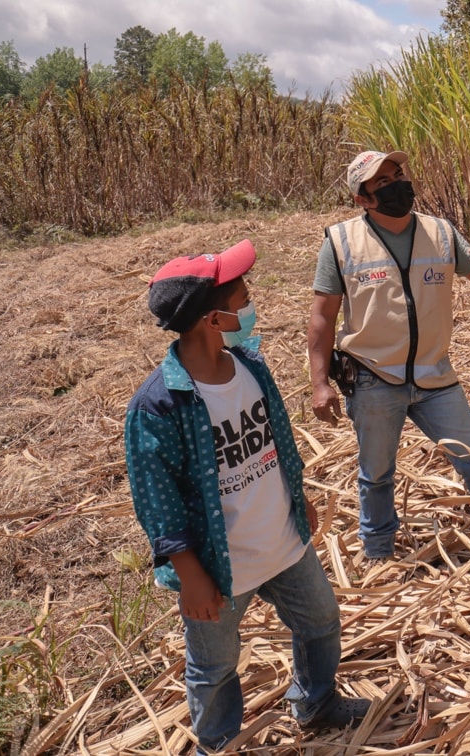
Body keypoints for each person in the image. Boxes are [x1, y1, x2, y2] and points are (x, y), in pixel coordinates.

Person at [125, 240, 369, 753]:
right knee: (213, 668)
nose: (250, 302)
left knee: (321, 622)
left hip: (282, 544)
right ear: (212, 319)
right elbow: (156, 498)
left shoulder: (251, 368)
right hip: (218, 566)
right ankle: (219, 743)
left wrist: (296, 497)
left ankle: (316, 703)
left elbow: (277, 442)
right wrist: (190, 574)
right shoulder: (160, 404)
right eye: (241, 296)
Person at [307, 149, 470, 560]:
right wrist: (319, 383)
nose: (397, 185)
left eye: (398, 175)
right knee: (376, 474)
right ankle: (379, 554)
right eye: (383, 183)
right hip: (373, 377)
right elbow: (322, 317)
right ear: (363, 199)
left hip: (435, 375)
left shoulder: (440, 232)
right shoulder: (341, 243)